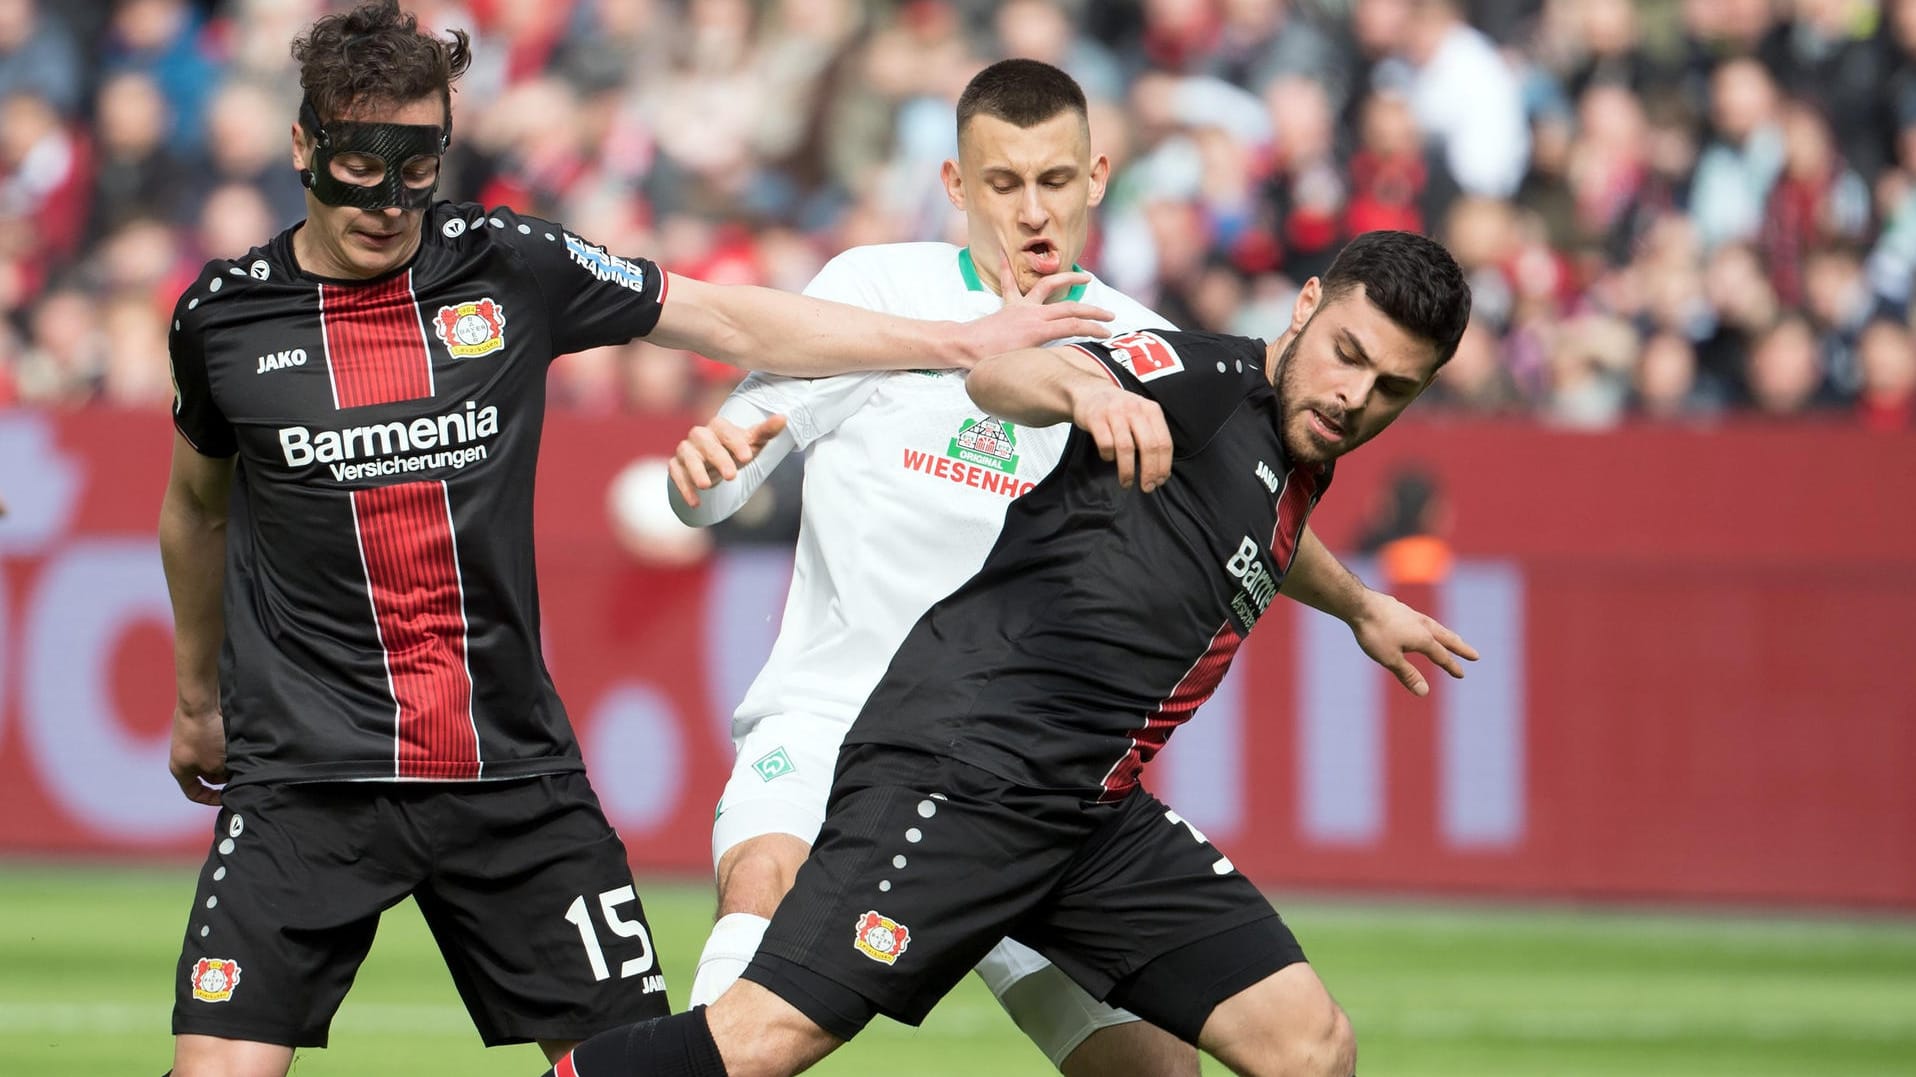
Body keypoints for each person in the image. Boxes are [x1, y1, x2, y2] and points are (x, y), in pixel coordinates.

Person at [156, 4, 1111, 1076]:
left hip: (505, 773)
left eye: (414, 161)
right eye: (356, 163)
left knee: (640, 1067)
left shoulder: (506, 262)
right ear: (303, 146)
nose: (386, 197)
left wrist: (955, 341)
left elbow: (729, 320)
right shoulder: (222, 321)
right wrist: (199, 699)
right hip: (304, 774)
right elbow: (195, 506)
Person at [550, 229, 1479, 1077]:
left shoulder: (1286, 462)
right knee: (760, 1037)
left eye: (1393, 387)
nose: (1354, 396)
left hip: (1089, 815)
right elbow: (1005, 381)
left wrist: (1360, 605)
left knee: (1310, 1046)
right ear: (1306, 306)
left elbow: (1255, 531)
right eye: (1348, 355)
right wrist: (1084, 390)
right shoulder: (1199, 376)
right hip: (963, 775)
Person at [667, 58, 1196, 1076]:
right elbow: (723, 476)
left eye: (1054, 180)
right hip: (828, 722)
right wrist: (699, 481)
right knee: (763, 891)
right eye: (1002, 184)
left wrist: (1353, 604)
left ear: (1098, 176)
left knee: (1153, 1067)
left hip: (1010, 766)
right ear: (956, 185)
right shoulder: (872, 288)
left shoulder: (1153, 352)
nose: (1031, 211)